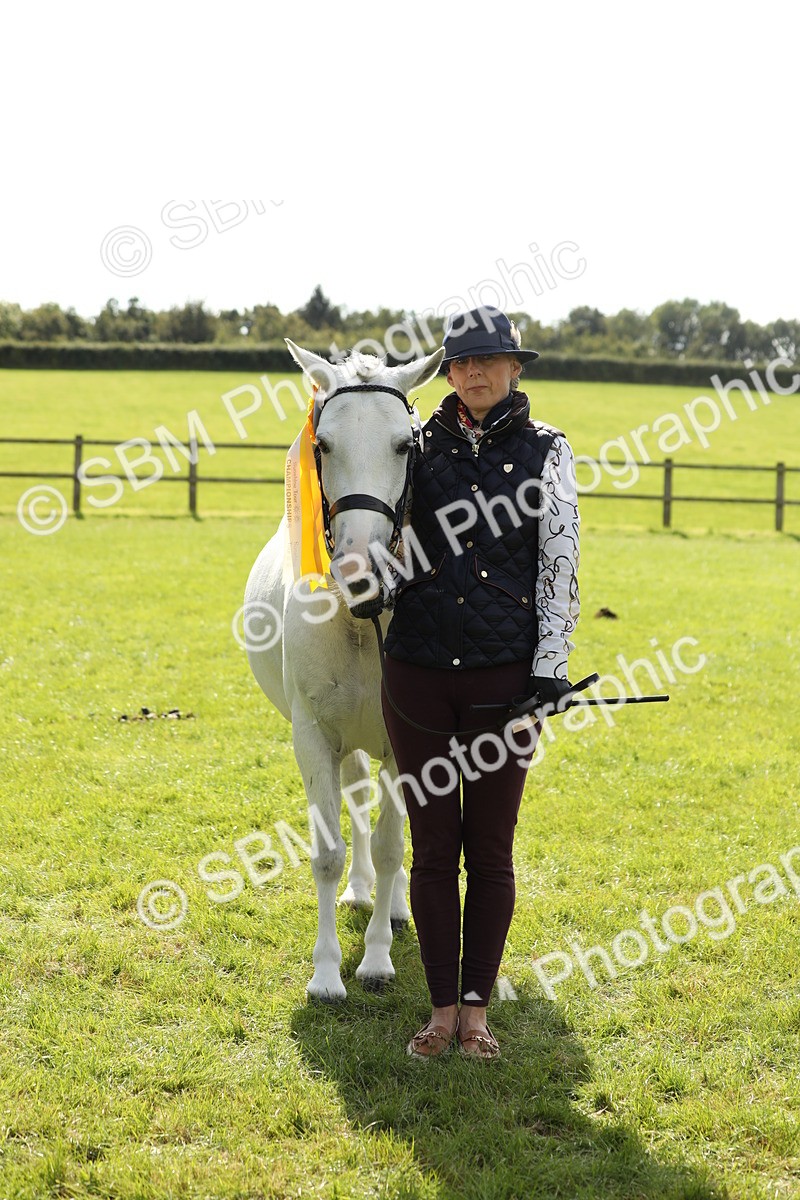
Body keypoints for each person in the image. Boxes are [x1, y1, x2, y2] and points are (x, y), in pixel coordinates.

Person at [380, 305, 580, 1059]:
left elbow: (560, 561)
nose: (476, 374)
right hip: (418, 675)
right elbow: (385, 542)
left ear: (515, 368)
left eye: (491, 361)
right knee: (432, 847)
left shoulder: (548, 451)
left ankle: (477, 1013)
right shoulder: (412, 445)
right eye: (463, 363)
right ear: (448, 373)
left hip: (506, 682)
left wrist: (550, 669)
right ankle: (437, 1010)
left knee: (489, 850)